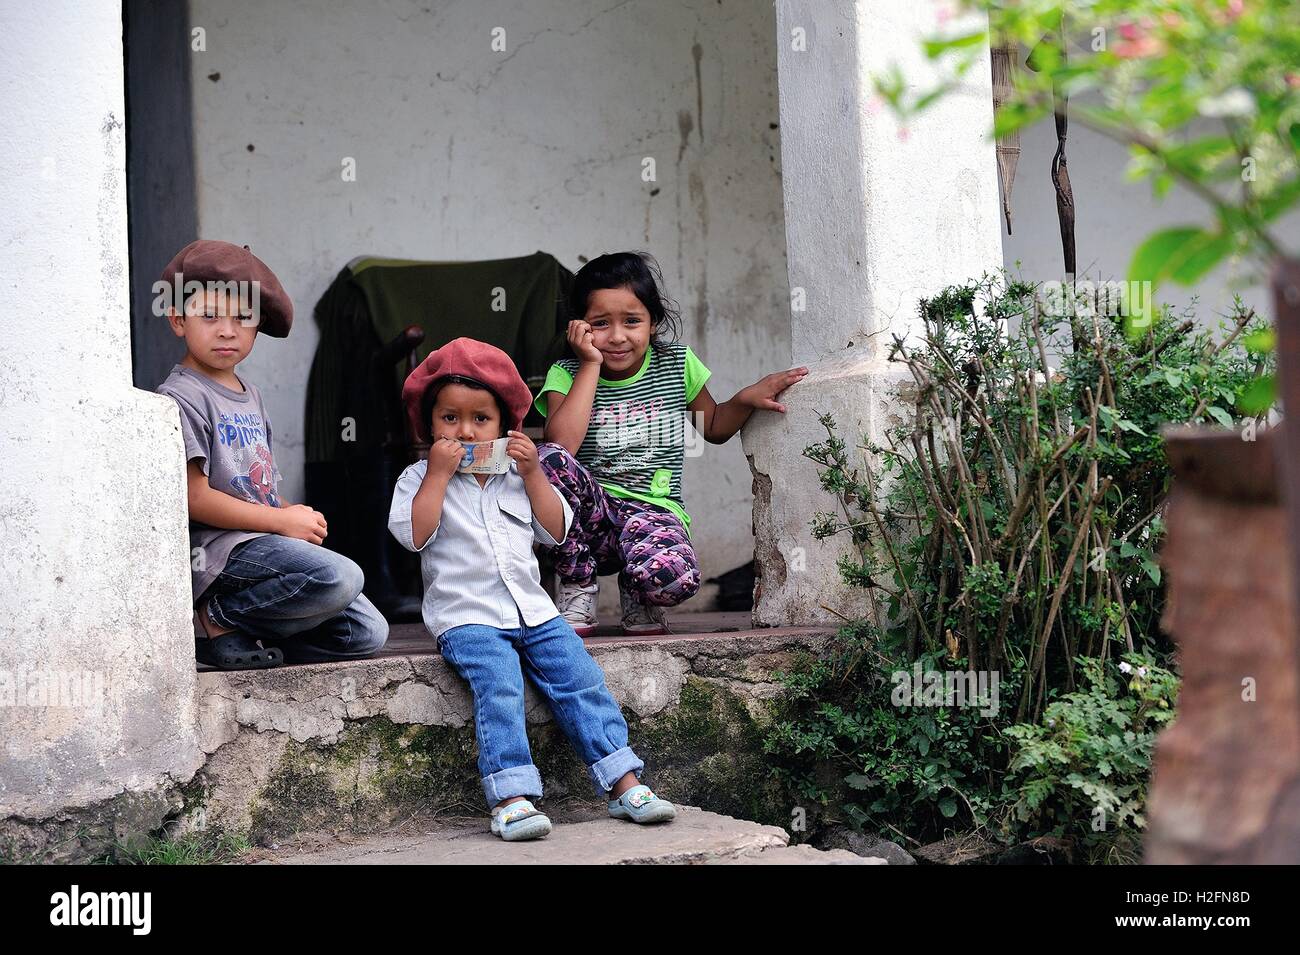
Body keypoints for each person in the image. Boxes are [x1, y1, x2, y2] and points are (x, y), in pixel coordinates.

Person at [388, 337, 676, 841]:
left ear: (506, 427)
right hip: (466, 616)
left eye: (481, 419)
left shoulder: (518, 478)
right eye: (449, 419)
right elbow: (414, 536)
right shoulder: (417, 477)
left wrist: (535, 473)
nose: (465, 431)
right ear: (428, 427)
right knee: (500, 684)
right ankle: (511, 798)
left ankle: (623, 782)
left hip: (535, 612)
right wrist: (437, 472)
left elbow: (559, 530)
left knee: (580, 676)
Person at [534, 251, 808, 635]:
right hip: (589, 521)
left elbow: (712, 426)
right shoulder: (567, 373)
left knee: (673, 579)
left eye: (631, 321)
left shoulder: (676, 364)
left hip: (650, 511)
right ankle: (578, 583)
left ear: (654, 322)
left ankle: (640, 591)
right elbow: (562, 446)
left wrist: (744, 398)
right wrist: (590, 365)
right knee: (544, 460)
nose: (616, 336)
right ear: (579, 328)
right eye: (600, 323)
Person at [156, 239, 388, 670]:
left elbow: (252, 487)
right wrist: (281, 521)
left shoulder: (251, 397)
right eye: (209, 315)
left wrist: (288, 510)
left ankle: (241, 637)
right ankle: (216, 617)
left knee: (367, 633)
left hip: (261, 541)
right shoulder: (180, 397)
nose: (227, 330)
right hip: (220, 551)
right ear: (176, 320)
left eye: (243, 318)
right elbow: (193, 498)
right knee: (341, 576)